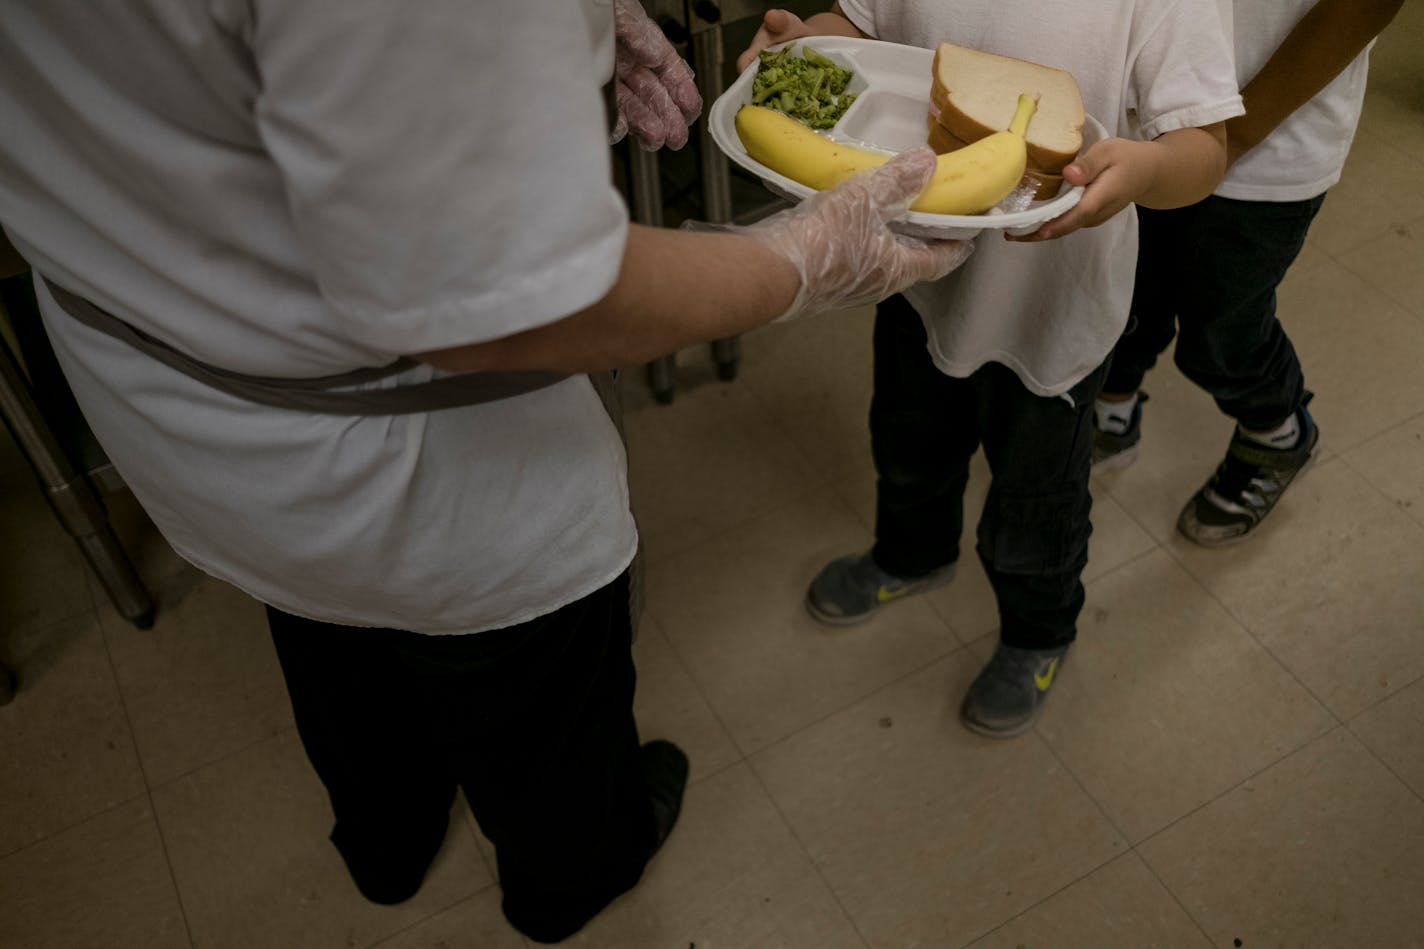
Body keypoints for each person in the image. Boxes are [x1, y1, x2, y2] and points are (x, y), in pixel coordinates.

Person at [0, 0, 972, 942]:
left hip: (155, 367)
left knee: (322, 631)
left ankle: (386, 840)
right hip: (401, 450)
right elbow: (508, 309)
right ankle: (567, 882)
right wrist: (795, 264)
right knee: (531, 689)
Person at [738, 1, 1242, 738]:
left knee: (1036, 504)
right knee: (910, 440)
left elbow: (1204, 149)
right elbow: (866, 27)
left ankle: (1039, 631)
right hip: (918, 279)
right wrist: (816, 37)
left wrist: (1150, 168)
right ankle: (913, 552)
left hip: (1053, 309)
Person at [1092, 0, 1405, 547]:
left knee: (1222, 334)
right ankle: (1113, 415)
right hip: (1142, 119)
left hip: (1269, 140)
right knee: (1125, 294)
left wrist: (1231, 139)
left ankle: (1278, 434)